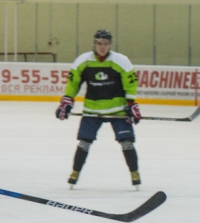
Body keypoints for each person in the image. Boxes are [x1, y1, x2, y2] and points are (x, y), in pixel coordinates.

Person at [56, 30, 142, 189]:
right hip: (92, 110)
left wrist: (131, 103)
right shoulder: (83, 61)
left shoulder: (121, 61)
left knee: (127, 142)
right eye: (99, 43)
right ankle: (75, 173)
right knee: (84, 142)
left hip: (118, 110)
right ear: (94, 44)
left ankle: (134, 173)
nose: (102, 47)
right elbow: (73, 83)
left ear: (110, 45)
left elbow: (130, 83)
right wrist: (67, 99)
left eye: (106, 44)